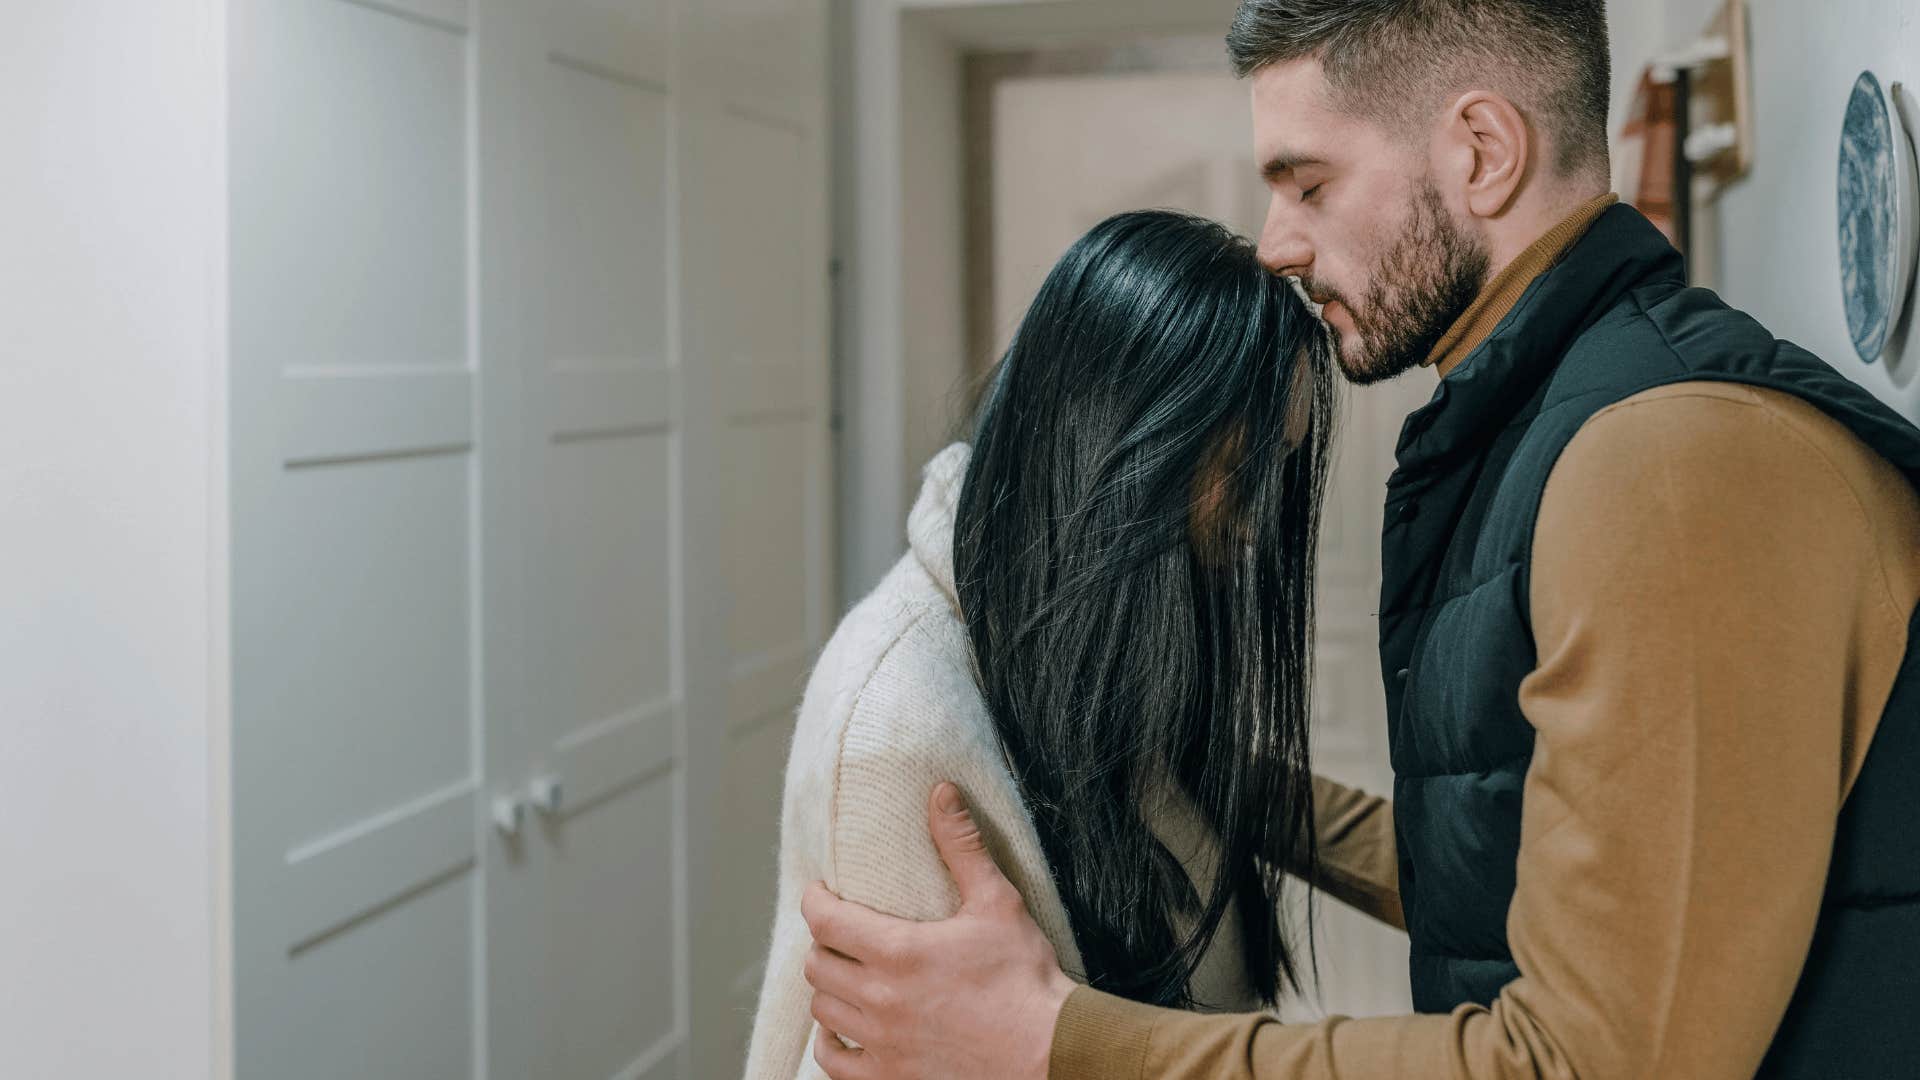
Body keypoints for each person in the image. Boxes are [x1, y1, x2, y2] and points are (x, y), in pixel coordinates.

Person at [798, 1, 1920, 1078]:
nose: (1276, 243)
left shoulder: (1668, 464)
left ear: (1482, 149)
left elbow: (1590, 1063)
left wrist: (1054, 1044)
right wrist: (1211, 773)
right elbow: (1509, 859)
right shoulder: (1560, 424)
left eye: (1308, 182)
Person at [743, 209, 1345, 1079]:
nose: (1255, 521)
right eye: (1244, 469)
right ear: (1131, 447)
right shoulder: (898, 728)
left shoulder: (1110, 657)